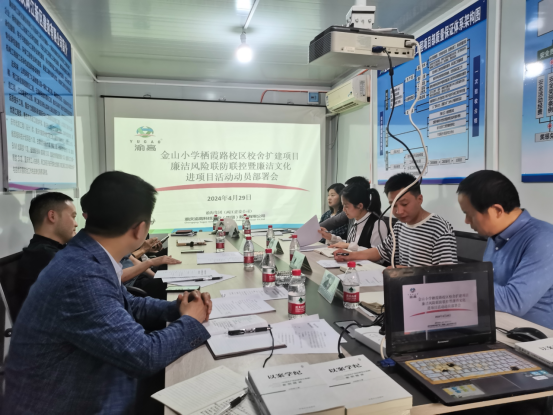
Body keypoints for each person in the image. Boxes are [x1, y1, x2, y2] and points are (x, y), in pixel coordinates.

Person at [4, 171, 212, 414]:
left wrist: (177, 308)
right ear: (140, 229)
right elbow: (144, 356)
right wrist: (191, 320)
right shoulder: (81, 274)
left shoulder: (88, 255)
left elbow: (129, 303)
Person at [457, 170, 553, 329]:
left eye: (469, 214)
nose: (466, 221)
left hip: (535, 336)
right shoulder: (494, 234)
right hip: (498, 325)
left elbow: (513, 301)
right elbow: (488, 284)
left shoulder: (544, 239)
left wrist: (457, 285)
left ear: (497, 210)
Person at [334, 172, 458, 266]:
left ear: (419, 199)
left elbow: (446, 274)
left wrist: (408, 272)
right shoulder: (400, 226)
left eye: (404, 204)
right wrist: (350, 255)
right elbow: (380, 251)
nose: (399, 211)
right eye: (393, 205)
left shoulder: (439, 229)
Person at [15, 192, 78, 321]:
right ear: (52, 216)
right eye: (73, 216)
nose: (76, 223)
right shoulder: (45, 256)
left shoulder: (51, 251)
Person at [319, 184, 387, 251]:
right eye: (343, 206)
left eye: (346, 206)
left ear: (360, 206)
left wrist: (348, 246)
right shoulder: (356, 219)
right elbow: (349, 244)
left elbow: (378, 254)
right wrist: (330, 237)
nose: (343, 210)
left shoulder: (377, 224)